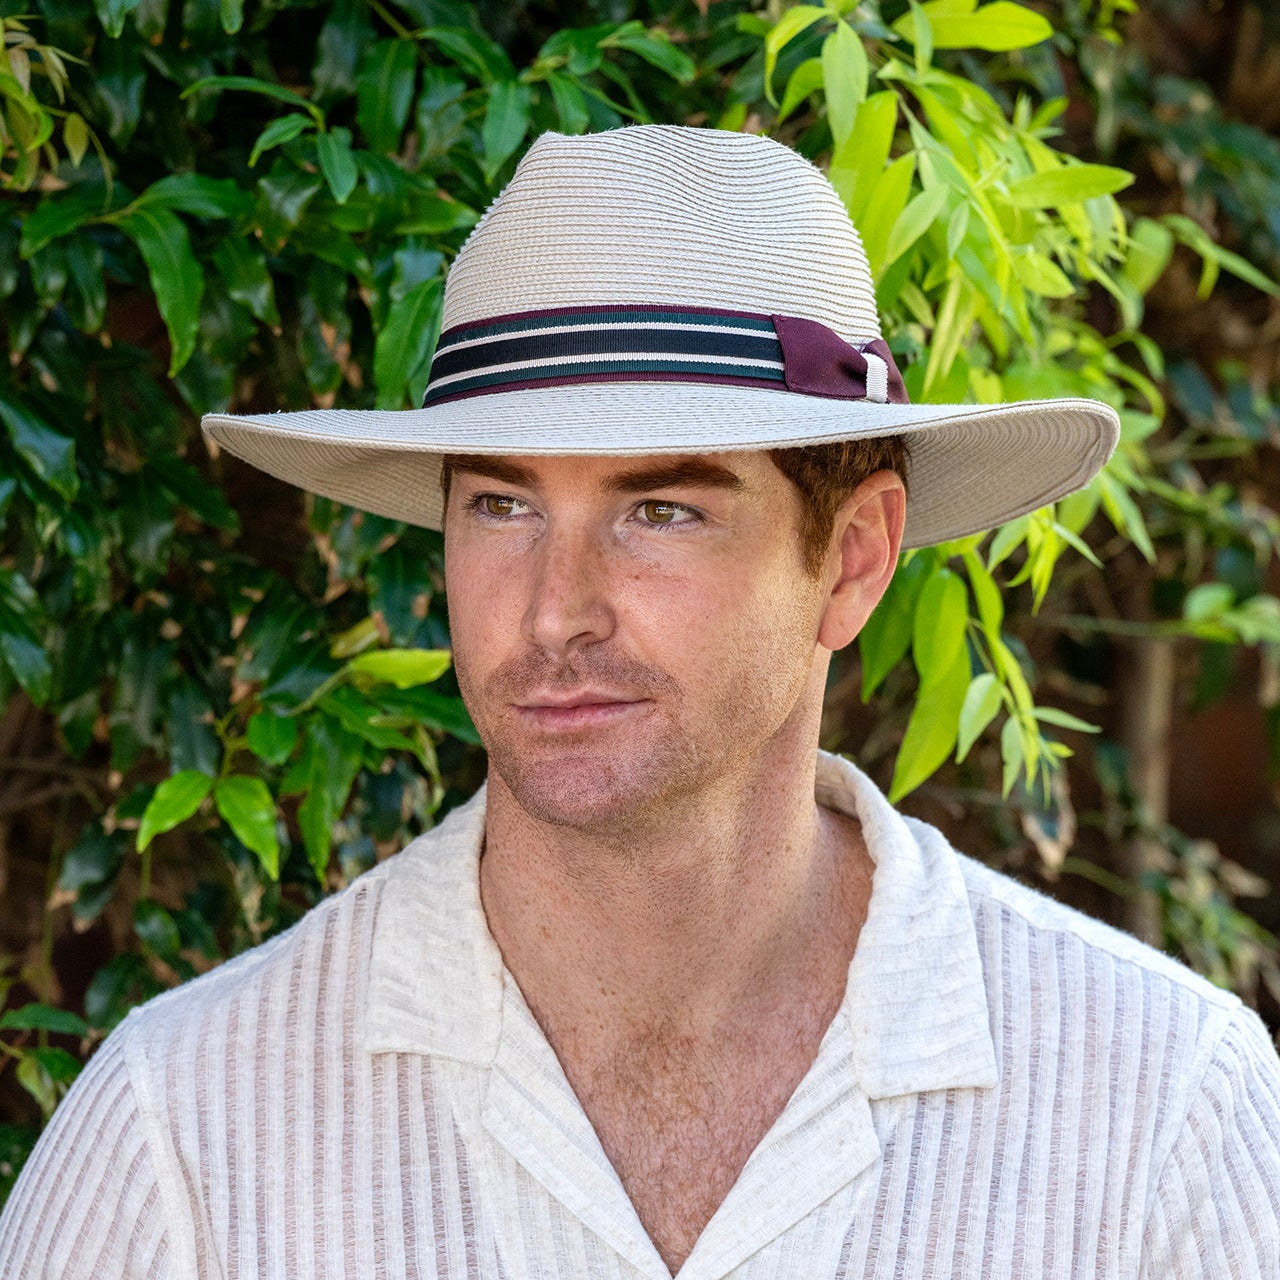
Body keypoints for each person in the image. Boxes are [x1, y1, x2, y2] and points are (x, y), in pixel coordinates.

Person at [2, 125, 1278, 1280]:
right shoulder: (186, 1141)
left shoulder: (1154, 1110)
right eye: (501, 504)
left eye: (658, 509)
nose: (555, 609)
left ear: (851, 556)